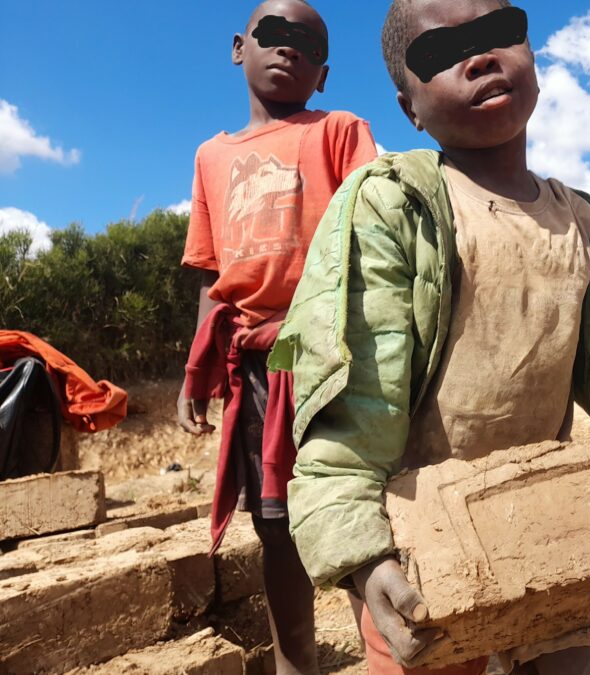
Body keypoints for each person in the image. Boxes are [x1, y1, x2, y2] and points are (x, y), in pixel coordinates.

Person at [268, 1, 590, 673]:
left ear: (532, 55)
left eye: (496, 35)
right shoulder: (398, 206)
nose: (478, 57)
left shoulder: (585, 228)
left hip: (562, 522)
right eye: (440, 54)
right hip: (425, 539)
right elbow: (354, 411)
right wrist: (365, 558)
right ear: (410, 109)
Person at [176, 1, 379, 672]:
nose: (287, 47)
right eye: (273, 33)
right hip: (257, 358)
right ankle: (298, 660)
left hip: (328, 346)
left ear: (322, 74)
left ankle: (389, 650)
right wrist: (195, 372)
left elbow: (371, 237)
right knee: (275, 521)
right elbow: (213, 279)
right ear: (239, 47)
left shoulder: (340, 131)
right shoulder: (211, 155)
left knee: (356, 503)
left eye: (306, 42)